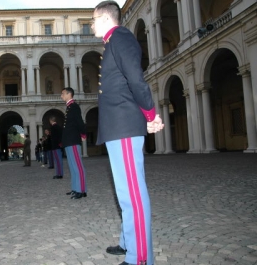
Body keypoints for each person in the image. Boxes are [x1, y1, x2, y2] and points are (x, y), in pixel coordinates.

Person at [91, 2, 164, 265]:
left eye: (93, 20)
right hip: (117, 126)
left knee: (132, 193)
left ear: (104, 18)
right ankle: (128, 243)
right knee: (125, 192)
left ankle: (140, 258)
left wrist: (150, 114)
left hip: (123, 125)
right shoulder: (112, 42)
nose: (91, 26)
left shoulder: (121, 38)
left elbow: (135, 79)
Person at [61, 87, 87, 199]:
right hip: (68, 140)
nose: (61, 96)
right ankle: (75, 188)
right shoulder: (69, 107)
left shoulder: (74, 107)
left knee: (78, 166)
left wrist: (83, 134)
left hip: (73, 139)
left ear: (69, 94)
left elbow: (79, 122)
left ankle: (81, 190)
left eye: (63, 94)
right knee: (72, 166)